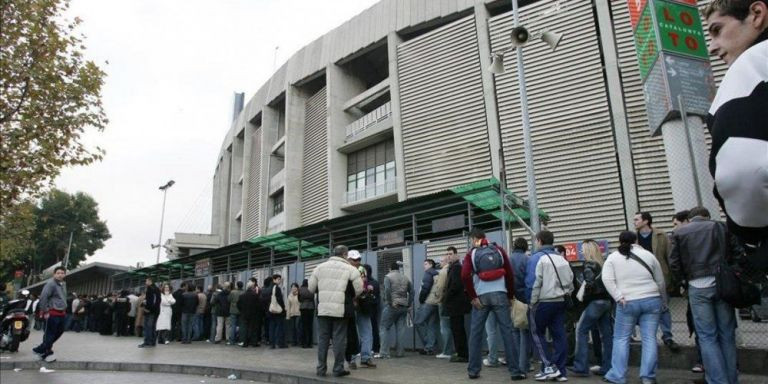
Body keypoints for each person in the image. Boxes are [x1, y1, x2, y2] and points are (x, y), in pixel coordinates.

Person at [704, 0, 768, 271]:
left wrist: (751, 235)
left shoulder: (752, 64)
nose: (713, 46)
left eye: (717, 30)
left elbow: (742, 171)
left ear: (756, 14)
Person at [669, 207, 744, 384]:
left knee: (707, 337)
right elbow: (738, 253)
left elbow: (674, 263)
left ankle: (717, 381)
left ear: (690, 218)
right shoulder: (722, 227)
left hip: (697, 286)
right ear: (707, 216)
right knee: (726, 334)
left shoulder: (679, 233)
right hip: (723, 285)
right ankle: (731, 379)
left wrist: (683, 283)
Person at [602, 231, 666, 384]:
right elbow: (660, 281)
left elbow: (607, 279)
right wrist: (662, 299)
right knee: (649, 338)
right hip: (652, 299)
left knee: (621, 338)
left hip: (627, 301)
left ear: (619, 240)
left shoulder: (613, 257)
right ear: (636, 240)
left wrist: (618, 297)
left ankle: (617, 375)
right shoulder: (648, 255)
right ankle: (648, 377)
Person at [462, 228, 526, 381]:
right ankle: (515, 371)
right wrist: (510, 295)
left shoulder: (472, 253)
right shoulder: (499, 250)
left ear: (473, 239)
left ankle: (473, 370)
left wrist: (472, 296)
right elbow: (509, 274)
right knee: (508, 332)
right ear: (485, 237)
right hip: (500, 295)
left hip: (481, 297)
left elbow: (464, 275)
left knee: (476, 334)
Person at [309, 245, 364, 378]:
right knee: (339, 340)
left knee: (323, 340)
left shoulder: (319, 268)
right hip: (341, 310)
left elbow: (311, 288)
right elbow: (359, 289)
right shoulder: (351, 269)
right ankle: (338, 369)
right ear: (345, 254)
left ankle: (321, 369)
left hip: (323, 310)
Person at [527, 230, 573, 382]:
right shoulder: (562, 259)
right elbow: (570, 283)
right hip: (560, 301)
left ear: (539, 241)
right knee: (559, 336)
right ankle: (560, 371)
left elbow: (534, 283)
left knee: (536, 334)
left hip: (544, 302)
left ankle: (549, 367)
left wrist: (531, 302)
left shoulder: (538, 259)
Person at [634, 212, 679, 352]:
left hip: (660, 275)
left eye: (637, 219)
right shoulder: (633, 238)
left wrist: (671, 277)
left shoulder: (661, 235)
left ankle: (667, 336)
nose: (634, 222)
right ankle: (648, 336)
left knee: (663, 306)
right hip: (641, 279)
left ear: (646, 221)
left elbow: (669, 255)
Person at [570, 239, 613, 377]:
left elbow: (589, 285)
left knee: (581, 331)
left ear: (588, 250)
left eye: (583, 249)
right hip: (606, 302)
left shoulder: (589, 265)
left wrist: (582, 289)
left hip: (594, 303)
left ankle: (581, 366)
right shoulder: (603, 264)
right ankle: (608, 366)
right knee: (606, 336)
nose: (581, 251)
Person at [32, 266, 67, 362]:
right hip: (52, 312)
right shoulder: (50, 284)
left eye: (62, 273)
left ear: (65, 274)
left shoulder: (63, 284)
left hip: (62, 313)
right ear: (54, 274)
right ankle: (47, 352)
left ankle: (40, 349)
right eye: (58, 273)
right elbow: (43, 297)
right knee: (49, 334)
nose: (60, 275)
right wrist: (45, 311)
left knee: (59, 331)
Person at [442, 244, 470, 363]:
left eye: (451, 254)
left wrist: (445, 297)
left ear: (456, 255)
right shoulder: (453, 267)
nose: (449, 256)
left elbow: (455, 285)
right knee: (457, 329)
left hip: (456, 304)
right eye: (447, 254)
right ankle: (461, 353)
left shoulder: (456, 267)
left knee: (457, 330)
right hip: (456, 304)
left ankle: (462, 354)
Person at [379, 260, 413, 359]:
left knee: (384, 328)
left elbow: (387, 290)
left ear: (390, 268)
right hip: (403, 306)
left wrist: (390, 302)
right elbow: (412, 292)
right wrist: (409, 304)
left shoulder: (388, 277)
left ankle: (384, 353)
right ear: (398, 269)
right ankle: (400, 353)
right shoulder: (405, 278)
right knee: (400, 330)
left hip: (392, 306)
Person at [508, 238, 532, 375]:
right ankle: (524, 365)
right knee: (524, 331)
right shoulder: (527, 259)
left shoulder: (508, 259)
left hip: (511, 298)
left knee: (514, 330)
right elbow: (529, 279)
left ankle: (517, 363)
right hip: (524, 298)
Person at [431, 250, 454, 360]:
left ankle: (446, 351)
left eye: (441, 261)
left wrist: (438, 299)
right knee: (449, 326)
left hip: (443, 302)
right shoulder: (451, 270)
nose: (439, 263)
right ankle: (450, 350)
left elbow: (439, 287)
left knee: (444, 327)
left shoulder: (443, 272)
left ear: (446, 261)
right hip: (450, 301)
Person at [415, 258, 440, 356]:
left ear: (430, 265)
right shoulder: (437, 274)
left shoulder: (429, 273)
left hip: (428, 302)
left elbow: (425, 288)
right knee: (431, 325)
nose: (424, 266)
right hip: (436, 303)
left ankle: (429, 345)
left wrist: (421, 300)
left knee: (418, 322)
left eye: (425, 264)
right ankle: (432, 348)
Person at [238, 279, 262, 347]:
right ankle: (254, 342)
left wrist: (242, 311)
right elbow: (259, 305)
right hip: (253, 314)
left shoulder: (242, 296)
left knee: (245, 328)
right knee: (254, 328)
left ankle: (245, 343)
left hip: (244, 314)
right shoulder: (255, 295)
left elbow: (238, 305)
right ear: (252, 287)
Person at [139, 277, 161, 348]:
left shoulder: (151, 288)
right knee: (152, 327)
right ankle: (152, 342)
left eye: (146, 281)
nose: (145, 283)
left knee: (148, 327)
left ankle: (148, 342)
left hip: (150, 311)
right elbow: (153, 300)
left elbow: (153, 301)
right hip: (154, 311)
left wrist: (148, 309)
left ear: (150, 281)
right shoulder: (156, 289)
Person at [268, 274, 287, 349]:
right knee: (279, 327)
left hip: (271, 310)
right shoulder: (276, 288)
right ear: (274, 279)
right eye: (278, 279)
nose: (279, 281)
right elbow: (279, 300)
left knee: (272, 327)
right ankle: (280, 343)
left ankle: (272, 343)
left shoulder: (269, 287)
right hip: (277, 310)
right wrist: (283, 308)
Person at [299, 278, 315, 348]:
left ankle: (304, 343)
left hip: (303, 308)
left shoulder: (300, 289)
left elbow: (299, 299)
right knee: (310, 326)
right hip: (311, 308)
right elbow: (313, 297)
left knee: (304, 326)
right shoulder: (311, 289)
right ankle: (310, 343)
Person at [228, 281, 243, 345]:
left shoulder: (233, 292)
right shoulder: (243, 292)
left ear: (237, 285)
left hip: (233, 310)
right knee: (240, 326)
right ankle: (239, 339)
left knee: (232, 326)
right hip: (241, 310)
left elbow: (229, 299)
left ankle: (232, 340)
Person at [287, 282, 301, 347]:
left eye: (295, 287)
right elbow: (288, 306)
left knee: (297, 327)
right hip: (292, 313)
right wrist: (288, 315)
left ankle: (299, 341)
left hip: (298, 313)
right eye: (292, 287)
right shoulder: (289, 295)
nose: (293, 288)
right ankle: (293, 342)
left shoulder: (300, 294)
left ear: (297, 288)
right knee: (292, 328)